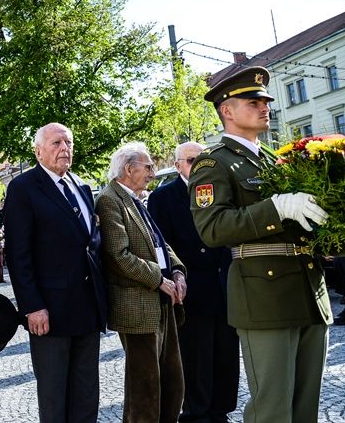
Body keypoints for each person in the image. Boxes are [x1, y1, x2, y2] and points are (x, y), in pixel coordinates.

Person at [189, 66, 331, 423]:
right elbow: (213, 228)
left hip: (309, 290)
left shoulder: (274, 159)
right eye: (253, 102)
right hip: (265, 297)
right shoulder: (213, 162)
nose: (265, 107)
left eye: (265, 101)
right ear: (227, 110)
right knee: (272, 411)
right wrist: (276, 208)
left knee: (305, 410)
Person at [4, 123, 107, 423]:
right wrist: (32, 306)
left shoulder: (81, 186)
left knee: (86, 394)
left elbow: (92, 243)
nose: (65, 148)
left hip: (87, 307)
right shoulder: (23, 188)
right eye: (56, 143)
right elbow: (18, 254)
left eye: (69, 142)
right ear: (38, 151)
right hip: (50, 311)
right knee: (54, 397)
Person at [148, 141, 239, 423]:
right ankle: (196, 414)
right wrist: (174, 278)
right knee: (196, 358)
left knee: (226, 355)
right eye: (190, 160)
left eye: (203, 159)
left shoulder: (222, 191)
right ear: (177, 166)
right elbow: (161, 246)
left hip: (225, 285)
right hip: (191, 288)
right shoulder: (163, 198)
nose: (197, 165)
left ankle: (221, 410)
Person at [97, 142, 187, 423]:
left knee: (172, 382)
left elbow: (159, 242)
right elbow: (118, 255)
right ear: (128, 169)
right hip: (137, 306)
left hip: (162, 300)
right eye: (148, 167)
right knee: (145, 389)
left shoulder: (136, 199)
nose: (152, 172)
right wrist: (158, 279)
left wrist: (177, 271)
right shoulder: (110, 200)